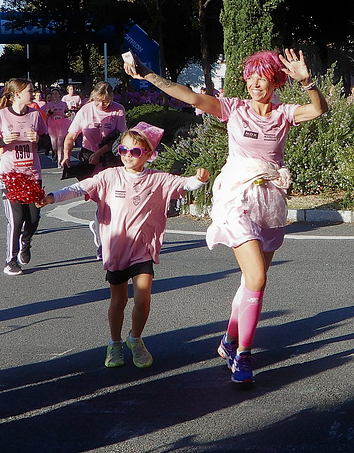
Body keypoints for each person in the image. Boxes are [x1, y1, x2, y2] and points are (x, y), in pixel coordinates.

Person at [124, 48, 328, 383]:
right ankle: (244, 356)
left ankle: (229, 341)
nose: (254, 84)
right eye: (250, 77)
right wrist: (147, 72)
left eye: (261, 77)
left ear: (275, 80)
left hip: (270, 201)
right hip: (235, 197)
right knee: (258, 278)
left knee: (253, 280)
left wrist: (307, 82)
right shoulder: (234, 108)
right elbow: (187, 95)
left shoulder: (284, 113)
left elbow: (319, 109)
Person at [38, 124, 210, 368]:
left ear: (149, 155)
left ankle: (135, 340)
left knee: (143, 298)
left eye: (136, 152)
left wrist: (201, 179)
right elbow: (79, 187)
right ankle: (115, 343)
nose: (128, 156)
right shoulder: (110, 176)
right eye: (123, 150)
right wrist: (52, 197)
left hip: (143, 249)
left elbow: (186, 183)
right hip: (116, 248)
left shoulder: (158, 179)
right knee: (118, 301)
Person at [0, 79, 48, 276]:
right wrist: (3, 141)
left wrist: (38, 139)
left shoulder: (35, 115)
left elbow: (46, 143)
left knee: (34, 217)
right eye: (29, 90)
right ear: (17, 94)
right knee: (16, 218)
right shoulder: (2, 116)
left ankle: (25, 242)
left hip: (32, 173)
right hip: (10, 174)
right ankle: (10, 260)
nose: (33, 93)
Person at [61, 81, 127, 259]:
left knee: (109, 201)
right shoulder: (86, 110)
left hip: (109, 157)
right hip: (88, 158)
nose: (101, 105)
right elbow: (71, 136)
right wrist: (66, 154)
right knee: (100, 201)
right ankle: (100, 232)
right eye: (98, 100)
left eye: (105, 101)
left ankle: (104, 242)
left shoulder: (118, 110)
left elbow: (120, 138)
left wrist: (100, 153)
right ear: (93, 97)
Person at [42, 88, 71, 165]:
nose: (54, 95)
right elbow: (46, 116)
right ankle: (55, 153)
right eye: (53, 94)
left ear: (59, 94)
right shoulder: (49, 104)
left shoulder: (63, 104)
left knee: (60, 142)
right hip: (52, 124)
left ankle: (59, 160)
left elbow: (66, 112)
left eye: (56, 93)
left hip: (62, 123)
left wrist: (67, 114)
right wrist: (50, 112)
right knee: (54, 143)